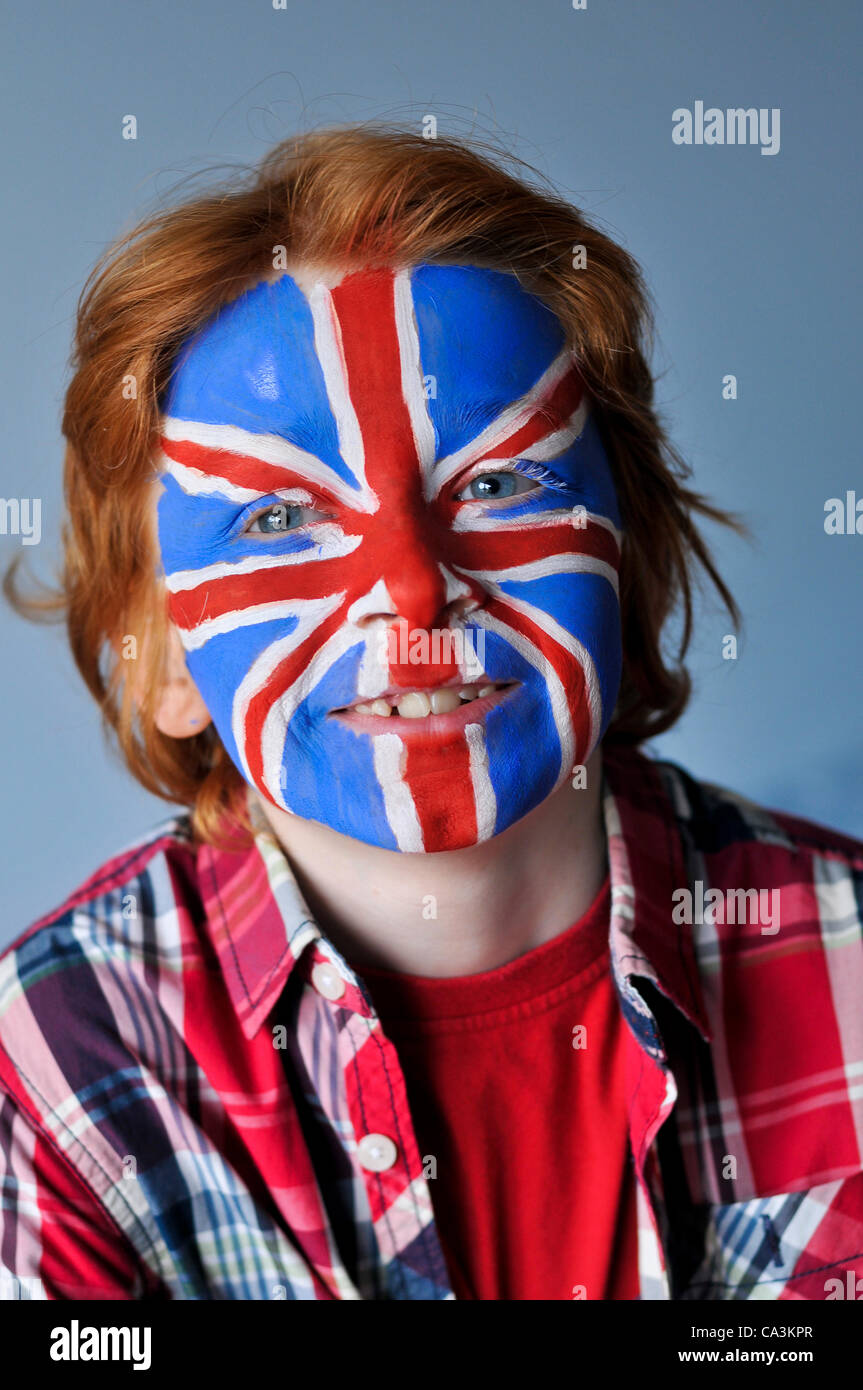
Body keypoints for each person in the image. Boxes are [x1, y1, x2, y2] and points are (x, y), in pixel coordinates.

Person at [1, 125, 861, 1303]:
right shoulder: (47, 1072)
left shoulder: (848, 966)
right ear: (158, 659)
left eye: (499, 482)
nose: (411, 588)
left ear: (632, 554)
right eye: (275, 521)